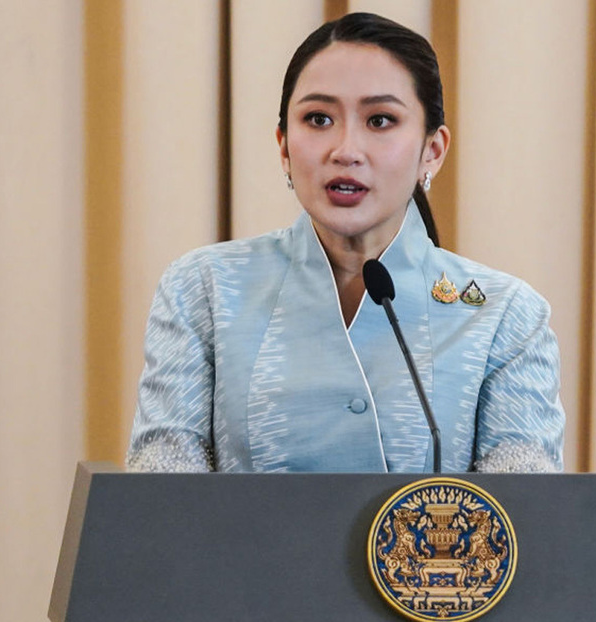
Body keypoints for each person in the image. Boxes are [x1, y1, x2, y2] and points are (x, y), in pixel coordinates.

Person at [126, 12, 565, 474]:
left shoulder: (505, 314)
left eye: (380, 120)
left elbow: (521, 510)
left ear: (432, 151)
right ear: (283, 146)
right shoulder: (203, 290)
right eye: (318, 119)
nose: (346, 150)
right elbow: (163, 487)